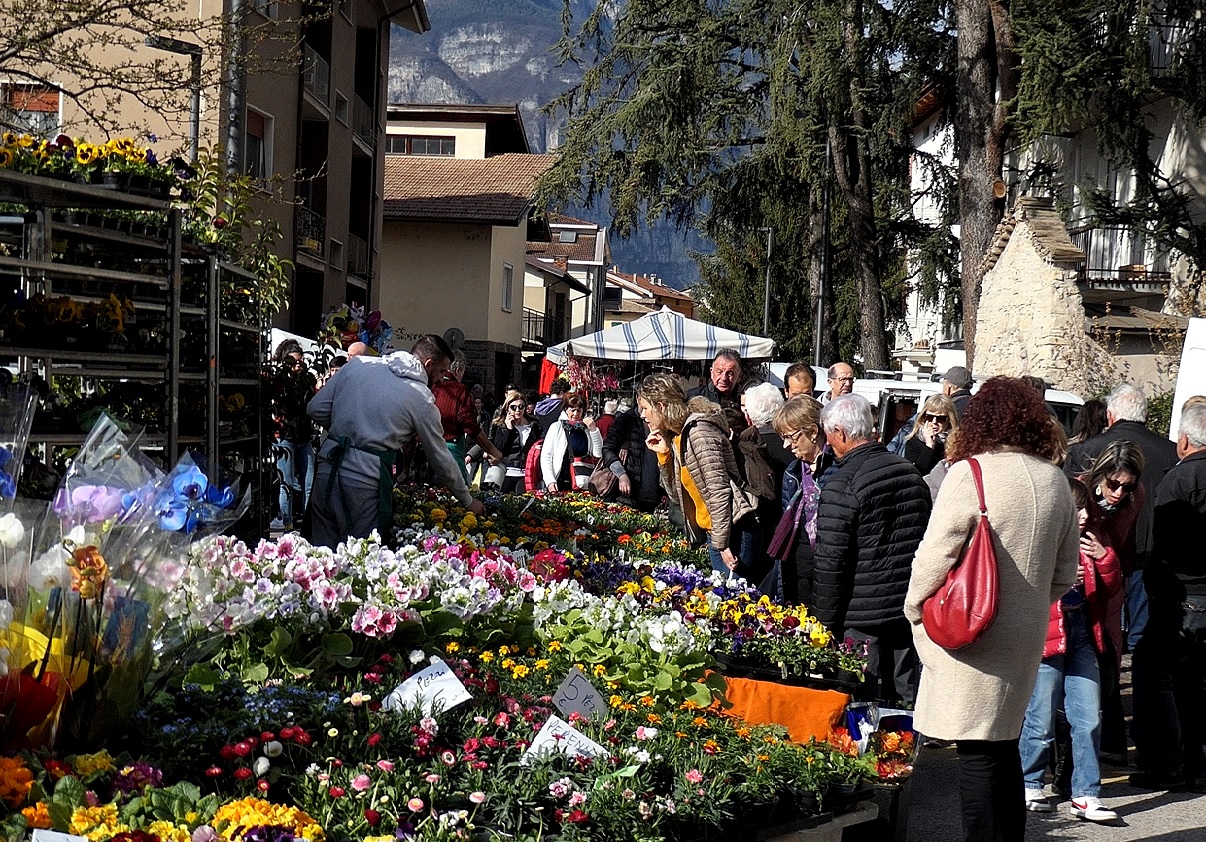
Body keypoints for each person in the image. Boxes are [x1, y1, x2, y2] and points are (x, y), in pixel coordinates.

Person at [905, 376, 1079, 842]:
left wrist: (915, 609)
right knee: (1003, 747)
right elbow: (1066, 574)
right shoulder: (1056, 482)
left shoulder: (970, 473)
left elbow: (934, 557)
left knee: (976, 752)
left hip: (970, 632)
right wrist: (1028, 605)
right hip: (1024, 636)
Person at [1064, 384, 1175, 772]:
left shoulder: (1133, 493)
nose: (1119, 493)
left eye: (1127, 487)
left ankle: (1112, 742)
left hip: (1119, 572)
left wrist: (1110, 562)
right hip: (1088, 579)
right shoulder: (1081, 485)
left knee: (1111, 657)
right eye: (1114, 485)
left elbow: (1120, 540)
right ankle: (1088, 749)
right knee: (1091, 660)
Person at [307, 334, 484, 548]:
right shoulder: (421, 398)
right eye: (441, 372)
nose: (441, 379)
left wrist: (347, 430)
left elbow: (315, 408)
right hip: (363, 481)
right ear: (428, 364)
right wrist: (467, 500)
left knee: (320, 555)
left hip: (327, 468)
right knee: (361, 555)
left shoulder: (358, 366)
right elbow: (441, 458)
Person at [812, 394, 932, 704]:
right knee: (905, 698)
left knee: (859, 698)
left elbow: (831, 564)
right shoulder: (910, 474)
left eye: (828, 436)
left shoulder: (842, 485)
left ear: (840, 433)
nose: (828, 444)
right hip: (905, 607)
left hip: (862, 614)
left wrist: (824, 625)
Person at [1019, 478, 1122, 822]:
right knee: (1041, 718)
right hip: (1048, 635)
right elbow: (1024, 584)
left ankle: (1087, 794)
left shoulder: (1091, 539)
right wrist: (1059, 580)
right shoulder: (1040, 538)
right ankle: (1029, 782)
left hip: (1082, 632)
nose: (1083, 516)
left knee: (1089, 718)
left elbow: (1111, 588)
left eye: (1085, 508)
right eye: (1075, 509)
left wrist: (1105, 559)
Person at [1130, 401, 1206, 792]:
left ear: (1185, 441)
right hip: (1194, 593)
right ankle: (1196, 766)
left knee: (1156, 674)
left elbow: (1165, 543)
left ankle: (1166, 763)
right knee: (1195, 683)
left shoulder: (1179, 480)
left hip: (1183, 594)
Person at [639, 373, 769, 591]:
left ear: (660, 406)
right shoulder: (677, 436)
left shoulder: (698, 433)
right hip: (718, 532)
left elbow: (719, 491)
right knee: (725, 596)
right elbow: (676, 496)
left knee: (736, 599)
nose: (642, 415)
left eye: (645, 408)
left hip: (735, 530)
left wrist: (723, 544)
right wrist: (664, 456)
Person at [771, 396, 826, 605]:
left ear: (813, 432)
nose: (786, 445)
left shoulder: (837, 469)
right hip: (800, 566)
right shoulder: (793, 472)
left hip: (827, 568)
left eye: (791, 437)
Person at [431, 351, 503, 483]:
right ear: (458, 370)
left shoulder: (429, 386)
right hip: (450, 451)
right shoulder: (459, 391)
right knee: (456, 492)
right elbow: (469, 425)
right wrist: (492, 450)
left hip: (425, 451)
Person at [269, 339, 317, 531]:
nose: (298, 365)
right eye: (294, 362)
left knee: (309, 481)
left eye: (300, 361)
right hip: (284, 437)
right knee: (286, 482)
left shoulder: (306, 381)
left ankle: (307, 523)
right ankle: (287, 522)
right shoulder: (279, 382)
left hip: (303, 437)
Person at [600, 403, 660, 512]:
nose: (644, 414)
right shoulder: (627, 420)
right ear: (638, 399)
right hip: (625, 495)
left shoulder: (662, 424)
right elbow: (607, 449)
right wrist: (621, 475)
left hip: (651, 499)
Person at [540, 394, 602, 492]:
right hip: (559, 481)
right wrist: (550, 481)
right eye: (572, 410)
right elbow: (546, 456)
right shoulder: (556, 427)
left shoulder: (587, 429)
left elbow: (598, 454)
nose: (575, 414)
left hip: (582, 482)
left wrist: (594, 430)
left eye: (579, 410)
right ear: (566, 409)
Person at [478, 390, 534, 493]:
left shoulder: (534, 425)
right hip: (505, 471)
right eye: (513, 407)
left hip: (526, 473)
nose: (518, 410)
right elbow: (498, 450)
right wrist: (509, 429)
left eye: (521, 406)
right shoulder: (500, 426)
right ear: (507, 408)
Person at [901, 394, 958, 476]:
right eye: (930, 417)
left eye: (940, 418)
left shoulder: (957, 443)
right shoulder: (913, 443)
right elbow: (915, 474)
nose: (934, 422)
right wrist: (929, 447)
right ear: (923, 417)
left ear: (949, 419)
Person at [687, 349, 756, 409]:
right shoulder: (693, 396)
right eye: (719, 372)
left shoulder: (747, 399)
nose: (724, 378)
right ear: (711, 372)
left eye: (730, 373)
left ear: (739, 376)